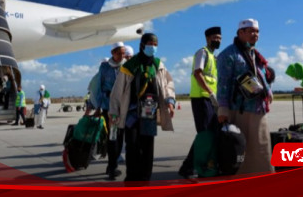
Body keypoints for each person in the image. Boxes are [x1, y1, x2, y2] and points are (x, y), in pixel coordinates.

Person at [109, 33, 175, 182]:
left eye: (156, 45)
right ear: (142, 45)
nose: (153, 47)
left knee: (147, 146)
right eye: (150, 44)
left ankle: (145, 178)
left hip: (149, 112)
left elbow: (167, 84)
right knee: (132, 145)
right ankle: (132, 178)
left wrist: (170, 101)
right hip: (132, 112)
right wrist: (113, 111)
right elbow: (117, 91)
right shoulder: (129, 66)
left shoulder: (158, 65)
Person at [216, 19, 274, 174]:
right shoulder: (229, 55)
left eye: (257, 31)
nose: (255, 34)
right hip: (239, 109)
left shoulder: (255, 55)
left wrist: (268, 91)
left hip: (258, 108)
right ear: (240, 33)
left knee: (261, 148)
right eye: (251, 31)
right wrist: (223, 109)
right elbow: (223, 83)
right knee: (240, 148)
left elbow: (261, 76)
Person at [178, 26, 221, 178]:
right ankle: (188, 167)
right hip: (201, 98)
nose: (218, 41)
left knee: (210, 134)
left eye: (220, 38)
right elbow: (198, 73)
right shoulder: (202, 52)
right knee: (204, 135)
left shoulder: (213, 56)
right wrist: (210, 93)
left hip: (210, 99)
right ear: (208, 38)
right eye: (215, 38)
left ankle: (199, 166)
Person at [90, 42, 127, 180]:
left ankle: (112, 164)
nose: (122, 55)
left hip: (123, 106)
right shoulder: (105, 67)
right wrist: (98, 106)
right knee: (113, 138)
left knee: (120, 137)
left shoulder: (126, 66)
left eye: (123, 53)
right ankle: (112, 168)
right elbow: (98, 86)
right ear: (113, 53)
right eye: (119, 53)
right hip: (109, 107)